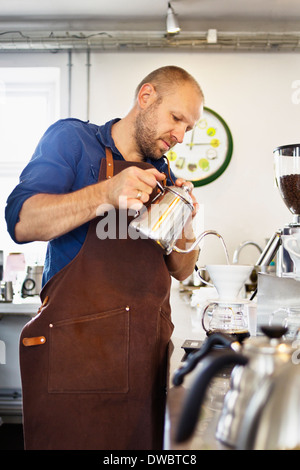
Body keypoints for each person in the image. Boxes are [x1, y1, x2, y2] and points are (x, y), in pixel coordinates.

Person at [5, 65, 204, 450]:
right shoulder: (72, 141)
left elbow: (182, 270)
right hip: (75, 368)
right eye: (176, 118)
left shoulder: (162, 174)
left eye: (188, 129)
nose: (179, 136)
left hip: (145, 370)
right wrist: (105, 193)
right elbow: (22, 221)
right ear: (146, 97)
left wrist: (186, 221)